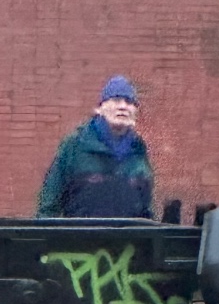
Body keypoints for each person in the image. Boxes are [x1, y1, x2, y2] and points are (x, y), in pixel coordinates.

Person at [37, 76, 154, 219]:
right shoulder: (75, 145)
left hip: (127, 240)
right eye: (116, 100)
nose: (123, 106)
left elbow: (145, 208)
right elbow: (49, 204)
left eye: (129, 102)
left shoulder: (138, 151)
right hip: (81, 239)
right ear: (100, 108)